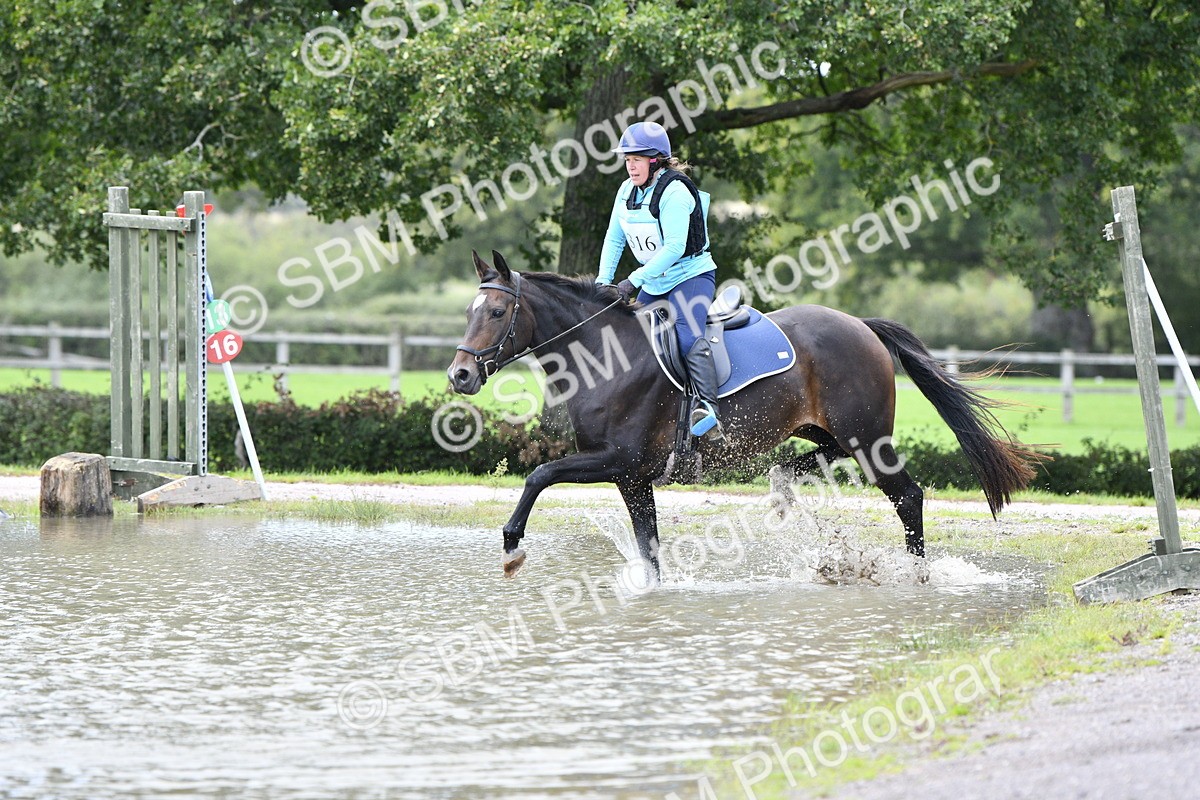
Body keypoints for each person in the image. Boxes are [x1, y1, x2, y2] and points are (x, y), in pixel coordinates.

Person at [596, 120, 724, 443]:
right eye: (627, 160)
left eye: (637, 159)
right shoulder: (626, 191)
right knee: (633, 340)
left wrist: (632, 280)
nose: (630, 166)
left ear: (655, 161)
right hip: (655, 283)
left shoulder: (675, 192)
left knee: (686, 336)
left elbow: (674, 248)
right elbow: (614, 239)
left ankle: (709, 410)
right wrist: (602, 282)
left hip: (691, 276)